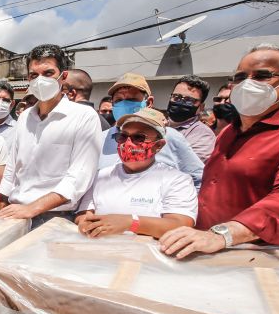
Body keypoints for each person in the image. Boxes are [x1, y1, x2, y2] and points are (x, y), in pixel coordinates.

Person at [160, 43, 279, 259]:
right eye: (240, 77)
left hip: (258, 255)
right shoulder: (229, 132)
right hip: (206, 249)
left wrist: (223, 234)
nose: (248, 83)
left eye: (262, 76)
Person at [0, 44, 103, 228]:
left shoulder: (83, 117)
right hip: (15, 214)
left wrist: (33, 208)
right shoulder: (24, 117)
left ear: (64, 76)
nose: (40, 80)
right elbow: (12, 167)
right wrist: (3, 203)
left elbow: (79, 177)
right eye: (33, 75)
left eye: (48, 73)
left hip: (55, 218)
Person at [76, 108, 197, 239]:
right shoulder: (100, 176)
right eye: (122, 137)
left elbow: (180, 225)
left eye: (138, 137)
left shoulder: (177, 180)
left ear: (158, 145)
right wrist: (85, 224)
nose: (128, 144)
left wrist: (131, 223)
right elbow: (84, 214)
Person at [99, 73, 204, 188]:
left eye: (132, 99)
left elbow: (199, 178)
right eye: (119, 100)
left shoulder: (170, 137)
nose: (124, 104)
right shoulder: (99, 140)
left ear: (149, 103)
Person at [165, 74, 216, 163]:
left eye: (189, 100)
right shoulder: (158, 124)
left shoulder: (203, 135)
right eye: (176, 97)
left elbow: (186, 168)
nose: (180, 102)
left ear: (201, 107)